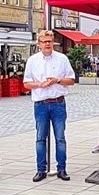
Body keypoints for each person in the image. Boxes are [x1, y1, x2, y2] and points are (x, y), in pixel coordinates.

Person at [23, 30, 76, 182]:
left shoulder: (62, 59)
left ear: (53, 42)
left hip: (58, 102)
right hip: (41, 104)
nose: (47, 44)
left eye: (50, 41)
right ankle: (41, 170)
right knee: (40, 138)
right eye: (44, 41)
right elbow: (26, 83)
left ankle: (62, 169)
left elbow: (71, 80)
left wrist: (57, 80)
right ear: (39, 44)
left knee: (60, 138)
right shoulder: (33, 61)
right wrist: (40, 84)